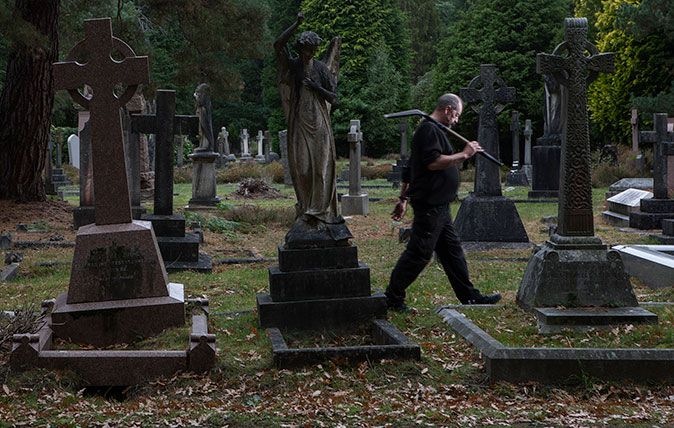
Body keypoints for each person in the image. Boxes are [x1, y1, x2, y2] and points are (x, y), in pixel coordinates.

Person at [386, 93, 502, 311]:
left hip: (440, 205)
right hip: (430, 204)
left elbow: (411, 168)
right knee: (419, 253)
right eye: (456, 115)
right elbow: (433, 163)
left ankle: (470, 296)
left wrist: (403, 199)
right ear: (448, 110)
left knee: (452, 252)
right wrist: (465, 154)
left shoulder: (433, 130)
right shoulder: (428, 130)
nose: (456, 121)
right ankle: (393, 298)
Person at [274, 13, 344, 236]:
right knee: (303, 169)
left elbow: (334, 98)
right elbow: (277, 44)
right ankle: (306, 209)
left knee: (321, 171)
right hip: (301, 125)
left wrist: (316, 87)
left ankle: (320, 214)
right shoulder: (294, 66)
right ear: (300, 49)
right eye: (305, 49)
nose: (308, 54)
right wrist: (296, 24)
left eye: (312, 50)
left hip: (320, 124)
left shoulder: (322, 69)